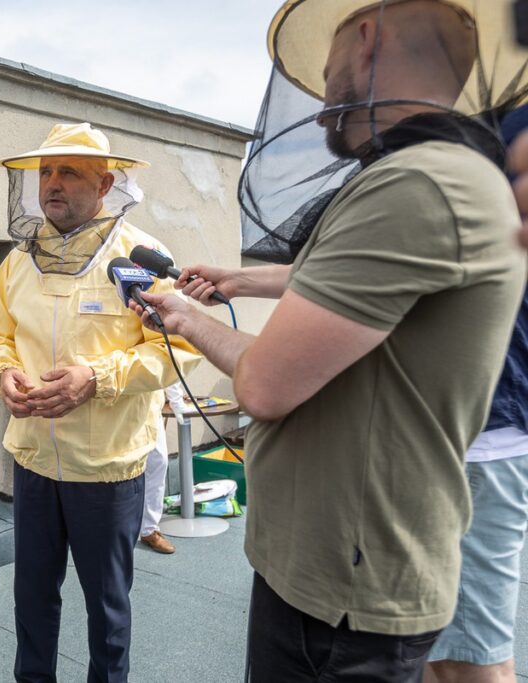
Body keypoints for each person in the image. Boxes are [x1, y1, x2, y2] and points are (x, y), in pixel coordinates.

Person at [129, 2, 526, 681]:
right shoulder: (445, 175)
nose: (320, 106)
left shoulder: (415, 184)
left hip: (342, 592)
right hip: (346, 572)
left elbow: (262, 385)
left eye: (328, 68)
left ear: (367, 35)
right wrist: (240, 281)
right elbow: (354, 282)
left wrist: (185, 318)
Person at [0, 122, 201, 683]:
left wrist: (95, 378)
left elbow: (180, 348)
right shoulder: (17, 261)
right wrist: (2, 375)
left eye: (69, 172)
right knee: (31, 599)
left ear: (104, 184)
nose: (52, 183)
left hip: (108, 468)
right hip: (32, 461)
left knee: (106, 611)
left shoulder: (143, 257)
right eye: (45, 172)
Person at [422, 107, 528, 683]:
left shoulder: (506, 135)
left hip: (482, 438)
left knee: (472, 653)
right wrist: (246, 279)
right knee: (428, 640)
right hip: (453, 434)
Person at [139, 384, 189, 555]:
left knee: (158, 462)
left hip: (149, 405)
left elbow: (167, 360)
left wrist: (176, 399)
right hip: (114, 405)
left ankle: (149, 530)